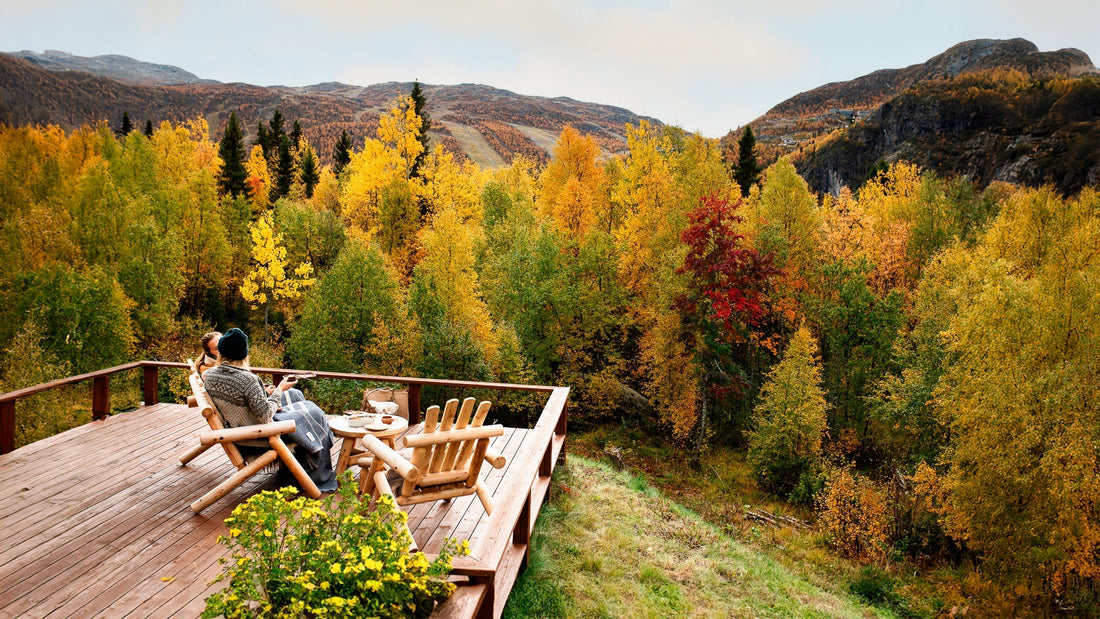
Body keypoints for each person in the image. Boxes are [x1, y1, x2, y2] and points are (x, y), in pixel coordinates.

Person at [202, 328, 337, 492]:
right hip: (256, 434)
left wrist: (268, 395)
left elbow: (239, 399)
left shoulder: (210, 375)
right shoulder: (247, 379)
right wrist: (279, 389)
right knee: (313, 412)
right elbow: (265, 415)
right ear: (244, 354)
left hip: (243, 422)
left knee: (294, 394)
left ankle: (300, 462)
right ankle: (317, 475)